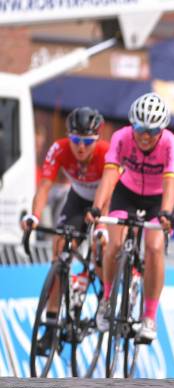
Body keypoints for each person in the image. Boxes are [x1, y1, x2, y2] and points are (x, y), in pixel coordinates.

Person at [87, 92, 174, 343]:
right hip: (126, 193)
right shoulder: (121, 138)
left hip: (158, 199)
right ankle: (106, 300)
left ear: (162, 129)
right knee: (114, 243)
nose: (145, 135)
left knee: (153, 248)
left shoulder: (171, 143)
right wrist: (97, 208)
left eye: (152, 130)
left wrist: (167, 213)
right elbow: (109, 177)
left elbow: (171, 183)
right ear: (132, 125)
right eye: (140, 128)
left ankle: (149, 316)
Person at [21, 106, 108, 355]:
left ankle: (106, 295)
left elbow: (110, 191)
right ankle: (51, 328)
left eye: (87, 142)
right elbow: (45, 186)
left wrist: (101, 225)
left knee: (101, 244)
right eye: (76, 140)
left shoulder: (105, 152)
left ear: (97, 140)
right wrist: (33, 216)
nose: (81, 147)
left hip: (108, 197)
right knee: (59, 255)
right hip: (79, 198)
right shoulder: (58, 149)